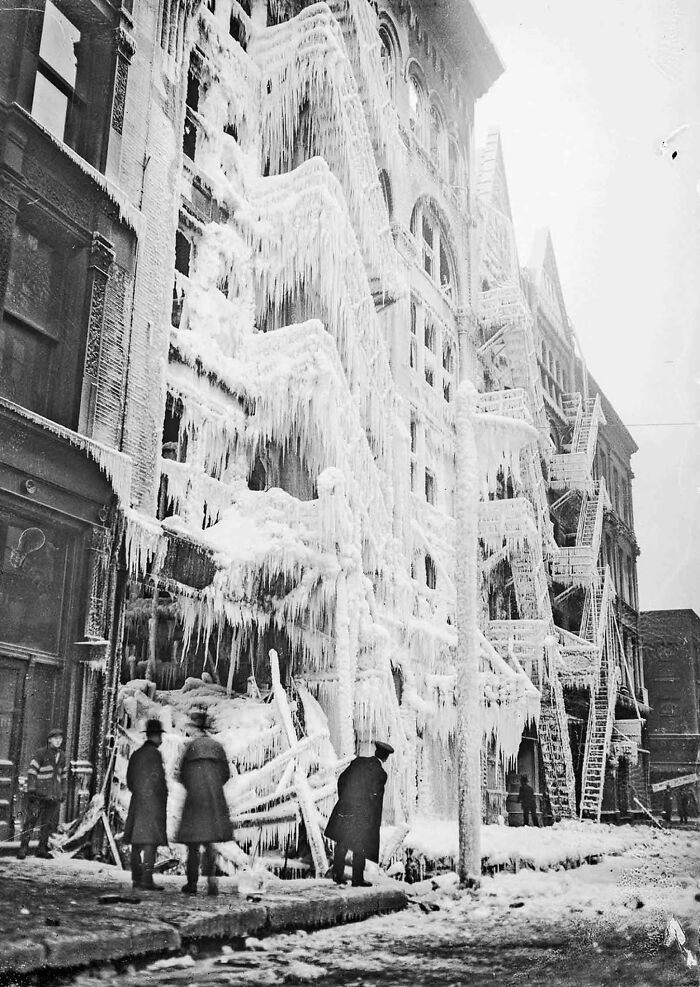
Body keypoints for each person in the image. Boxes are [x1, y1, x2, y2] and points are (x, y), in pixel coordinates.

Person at [176, 710, 232, 896]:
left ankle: (191, 884)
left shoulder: (191, 747)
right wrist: (214, 788)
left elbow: (181, 774)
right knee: (209, 844)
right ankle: (212, 883)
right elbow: (226, 774)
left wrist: (194, 788)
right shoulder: (217, 747)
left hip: (195, 801)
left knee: (193, 846)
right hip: (213, 801)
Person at [325, 741, 394, 888]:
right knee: (360, 847)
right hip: (363, 815)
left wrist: (344, 800)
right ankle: (357, 880)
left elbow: (341, 780)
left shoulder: (358, 762)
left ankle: (337, 875)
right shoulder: (381, 774)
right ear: (386, 758)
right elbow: (376, 801)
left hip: (346, 809)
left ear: (375, 752)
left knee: (342, 842)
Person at [123, 719, 168, 891]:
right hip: (153, 804)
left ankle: (136, 879)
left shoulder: (136, 754)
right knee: (150, 843)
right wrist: (159, 798)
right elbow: (158, 781)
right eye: (160, 736)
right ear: (155, 737)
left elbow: (130, 781)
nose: (161, 740)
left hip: (138, 803)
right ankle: (147, 880)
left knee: (137, 843)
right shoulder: (155, 755)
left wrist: (139, 793)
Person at [18, 727, 67, 860]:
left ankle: (42, 849)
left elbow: (63, 775)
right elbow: (32, 771)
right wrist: (32, 788)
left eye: (60, 739)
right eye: (56, 739)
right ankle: (23, 848)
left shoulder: (61, 755)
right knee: (31, 821)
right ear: (49, 740)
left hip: (54, 795)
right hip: (38, 794)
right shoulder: (40, 753)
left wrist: (63, 792)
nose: (58, 741)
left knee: (48, 823)